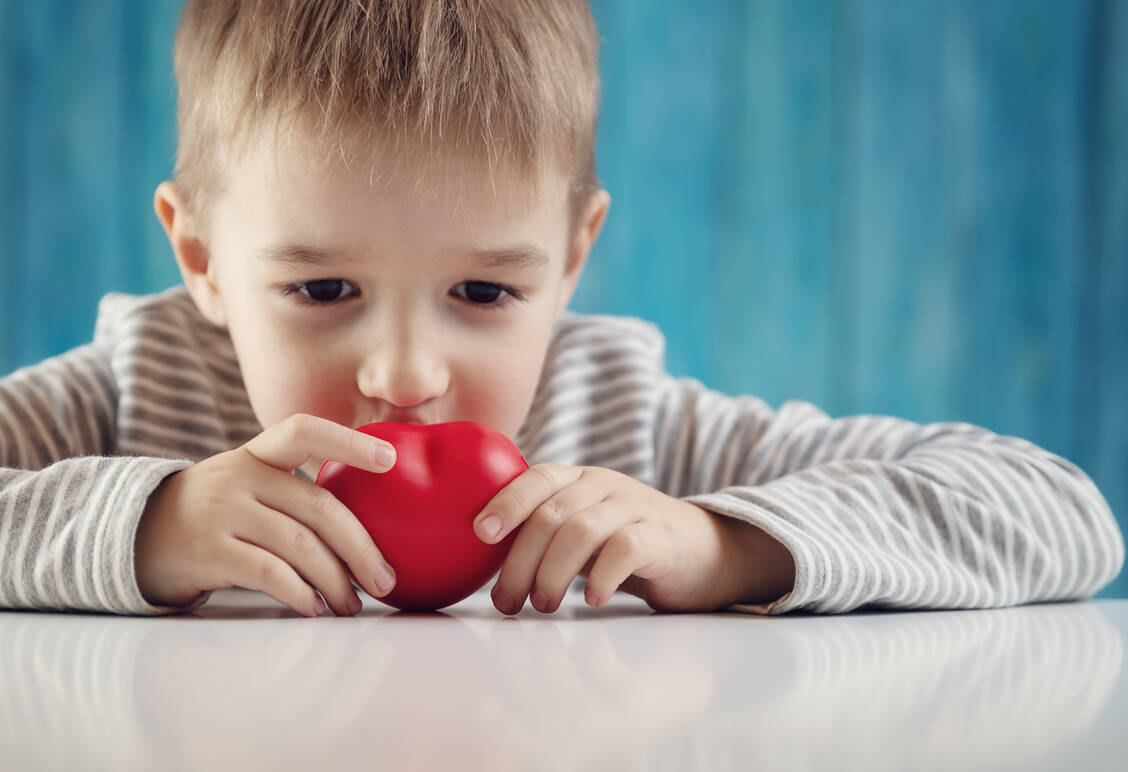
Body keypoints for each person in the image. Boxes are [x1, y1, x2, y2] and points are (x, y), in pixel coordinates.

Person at [0, 0, 1121, 619]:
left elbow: (1059, 511)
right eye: (322, 289)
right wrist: (145, 527)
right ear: (198, 253)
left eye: (484, 292)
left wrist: (723, 544)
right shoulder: (133, 390)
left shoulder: (627, 425)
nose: (404, 374)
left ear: (573, 257)